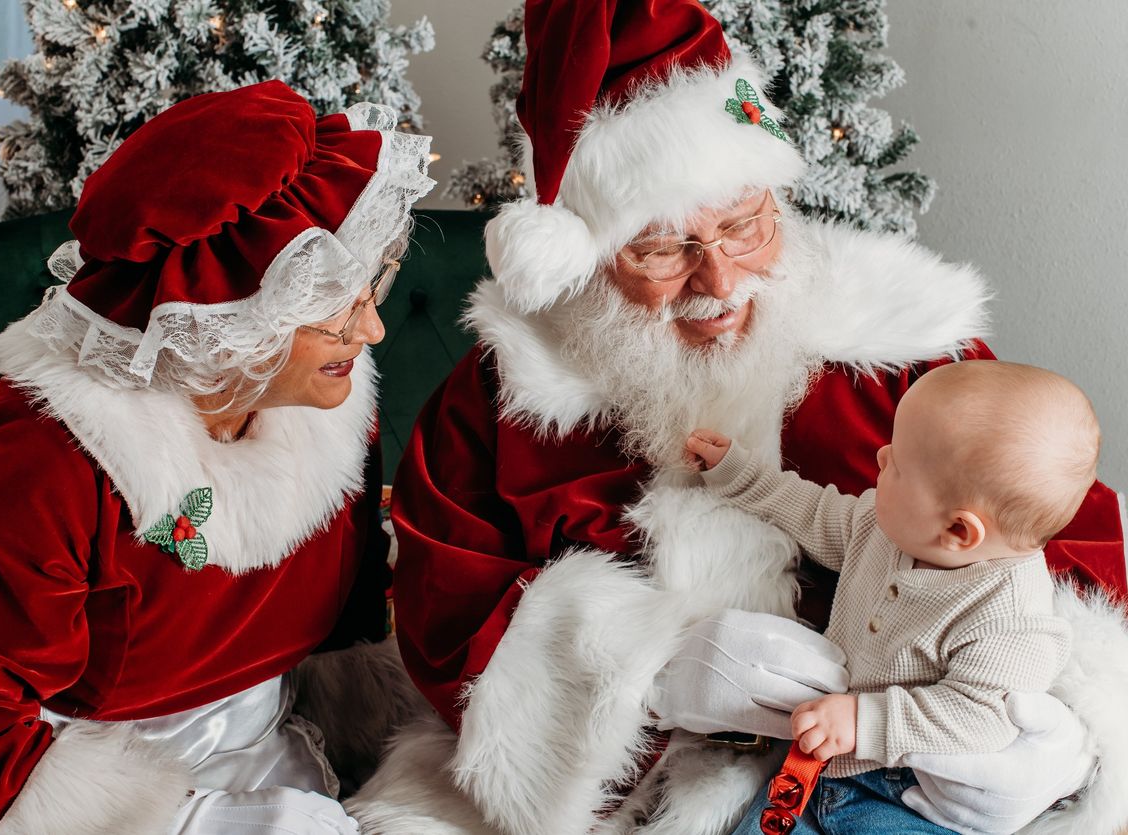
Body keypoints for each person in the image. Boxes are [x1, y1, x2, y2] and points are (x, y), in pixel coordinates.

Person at [346, 1, 1128, 834]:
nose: (718, 281)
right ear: (588, 250)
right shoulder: (507, 391)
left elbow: (1048, 526)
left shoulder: (904, 347)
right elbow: (445, 610)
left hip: (895, 763)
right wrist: (653, 676)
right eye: (661, 250)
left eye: (744, 227)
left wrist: (1043, 721)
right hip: (627, 786)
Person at [0, 81, 434, 834]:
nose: (372, 332)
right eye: (335, 312)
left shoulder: (326, 404)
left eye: (369, 292)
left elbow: (349, 619)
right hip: (109, 794)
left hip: (290, 738)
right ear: (233, 320)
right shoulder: (40, 470)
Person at [680, 360, 1093, 834]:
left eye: (897, 465)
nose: (880, 457)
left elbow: (978, 717)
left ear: (957, 529)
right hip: (816, 772)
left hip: (909, 797)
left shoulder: (1011, 619)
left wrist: (865, 720)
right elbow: (814, 512)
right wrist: (739, 472)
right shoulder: (883, 529)